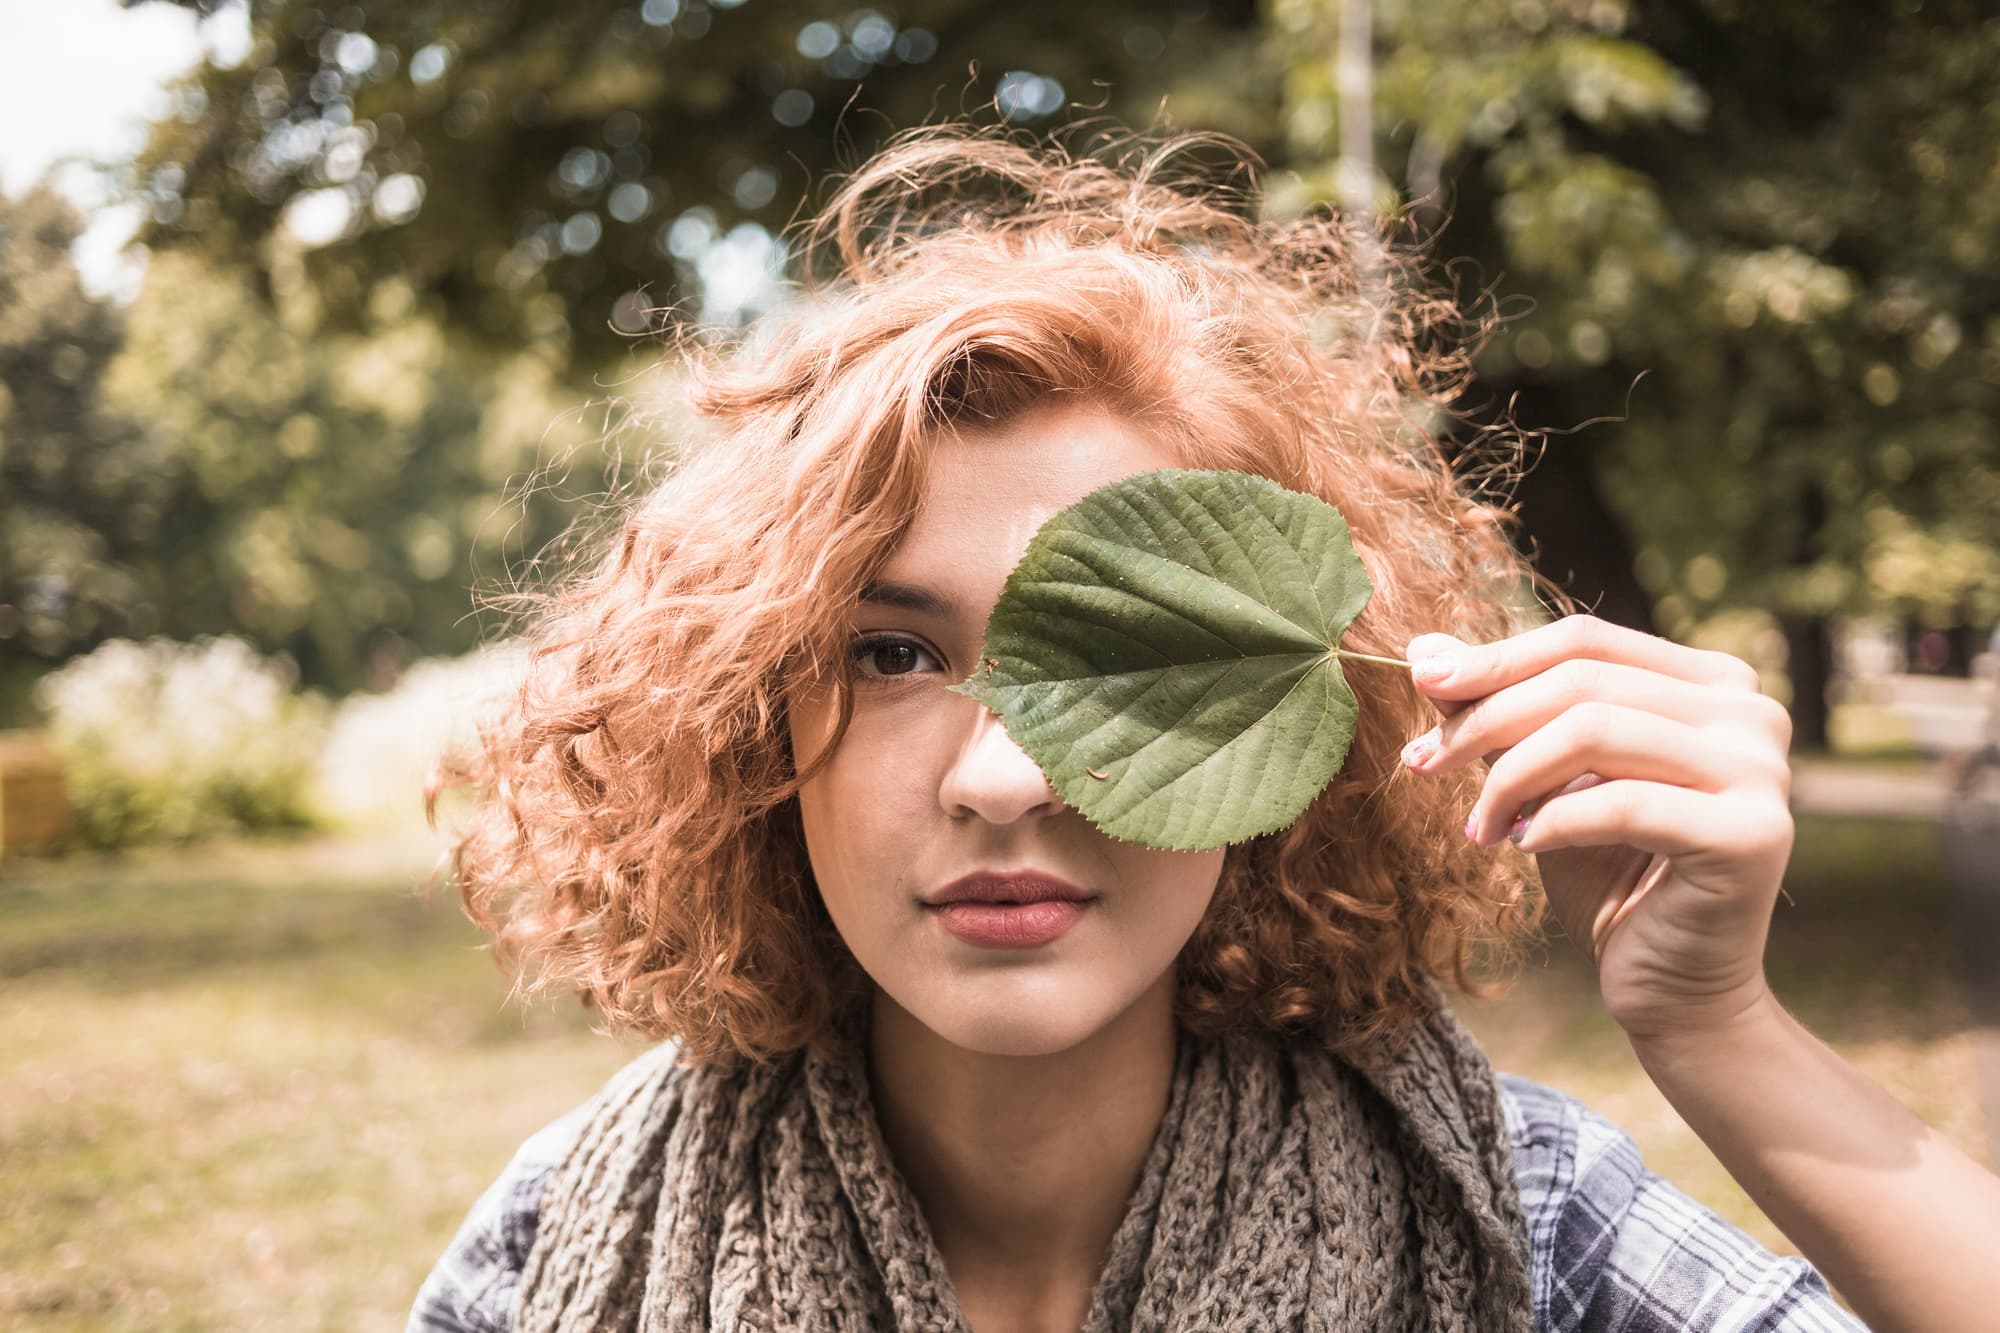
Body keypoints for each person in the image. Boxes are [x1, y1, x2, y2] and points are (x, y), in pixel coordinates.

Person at [408, 123, 2000, 1332]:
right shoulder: (561, 1245)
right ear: (750, 719)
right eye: (893, 651)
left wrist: (1725, 1032)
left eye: (1134, 650)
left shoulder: (1511, 1218)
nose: (1005, 773)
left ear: (1298, 716)